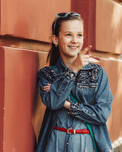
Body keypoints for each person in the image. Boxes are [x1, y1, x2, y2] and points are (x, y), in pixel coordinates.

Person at [35, 12, 113, 152]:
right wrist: (73, 70)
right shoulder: (47, 74)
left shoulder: (97, 73)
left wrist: (66, 104)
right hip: (55, 144)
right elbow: (53, 102)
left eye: (79, 35)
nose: (75, 41)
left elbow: (101, 114)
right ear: (55, 39)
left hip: (86, 143)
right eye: (68, 35)